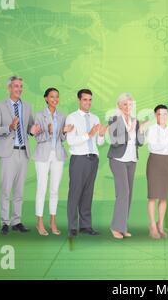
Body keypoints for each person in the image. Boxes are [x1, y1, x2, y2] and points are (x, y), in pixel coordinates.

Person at [0, 76, 41, 235]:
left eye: (21, 86)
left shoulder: (27, 106)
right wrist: (10, 127)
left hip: (23, 152)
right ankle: (4, 222)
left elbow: (29, 127)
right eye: (15, 86)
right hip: (8, 152)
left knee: (19, 190)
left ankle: (16, 221)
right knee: (6, 189)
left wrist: (33, 130)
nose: (19, 89)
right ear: (9, 88)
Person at [66, 89, 107, 238]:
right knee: (75, 193)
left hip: (93, 159)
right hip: (79, 159)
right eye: (85, 100)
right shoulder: (72, 118)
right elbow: (71, 141)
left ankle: (85, 226)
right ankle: (72, 227)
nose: (88, 102)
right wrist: (88, 134)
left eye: (90, 100)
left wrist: (101, 135)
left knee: (88, 194)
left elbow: (99, 143)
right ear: (79, 100)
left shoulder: (95, 118)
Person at [33, 87, 74, 236]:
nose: (55, 99)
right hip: (43, 155)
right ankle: (39, 222)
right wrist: (49, 132)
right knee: (41, 188)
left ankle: (52, 221)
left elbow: (62, 139)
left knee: (54, 190)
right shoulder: (39, 115)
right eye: (52, 97)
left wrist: (64, 131)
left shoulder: (62, 116)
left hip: (58, 155)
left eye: (57, 96)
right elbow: (37, 138)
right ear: (46, 98)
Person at [107, 93, 148, 239]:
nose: (128, 107)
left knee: (129, 193)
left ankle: (122, 227)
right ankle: (115, 227)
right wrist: (130, 132)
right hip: (117, 159)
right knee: (123, 191)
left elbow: (140, 143)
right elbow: (114, 141)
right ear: (119, 105)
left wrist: (142, 130)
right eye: (125, 104)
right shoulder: (113, 120)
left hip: (131, 160)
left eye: (130, 104)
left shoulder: (135, 121)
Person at [146, 104, 168, 239]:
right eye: (160, 114)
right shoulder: (152, 129)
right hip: (154, 161)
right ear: (156, 116)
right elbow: (155, 147)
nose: (163, 117)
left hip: (167, 162)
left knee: (164, 196)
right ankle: (153, 225)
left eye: (165, 114)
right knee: (153, 195)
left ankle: (160, 225)